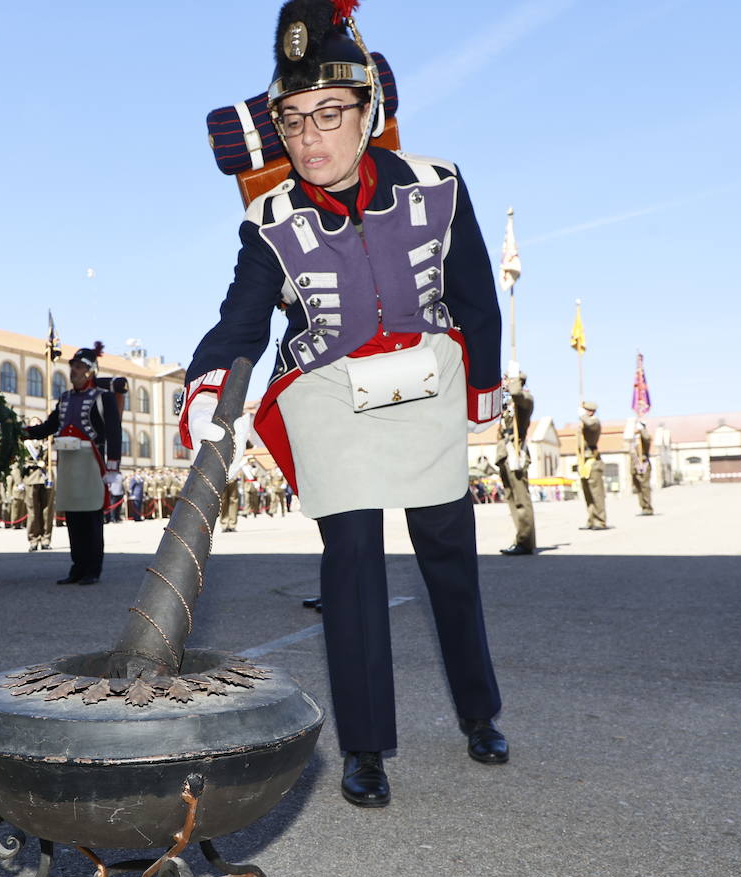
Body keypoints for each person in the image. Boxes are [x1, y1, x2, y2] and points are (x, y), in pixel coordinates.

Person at [181, 0, 508, 808]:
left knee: (450, 562)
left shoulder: (440, 184)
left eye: (329, 113)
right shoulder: (268, 220)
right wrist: (212, 382)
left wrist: (486, 385)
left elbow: (475, 294)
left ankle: (479, 713)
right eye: (292, 121)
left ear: (370, 114)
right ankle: (366, 748)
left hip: (425, 376)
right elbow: (241, 320)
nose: (310, 138)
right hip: (330, 390)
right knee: (352, 565)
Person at [22, 343, 122, 585]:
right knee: (74, 518)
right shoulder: (65, 398)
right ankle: (77, 566)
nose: (73, 371)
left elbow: (113, 431)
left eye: (78, 367)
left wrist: (113, 467)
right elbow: (50, 425)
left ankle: (92, 569)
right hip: (67, 462)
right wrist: (25, 432)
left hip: (90, 462)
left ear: (90, 371)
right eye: (72, 367)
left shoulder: (103, 398)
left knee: (91, 518)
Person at [496, 367, 536, 555]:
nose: (504, 382)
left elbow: (515, 393)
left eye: (507, 379)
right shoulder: (508, 404)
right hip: (505, 454)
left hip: (516, 454)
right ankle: (521, 538)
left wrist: (514, 379)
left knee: (521, 500)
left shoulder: (525, 400)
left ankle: (525, 541)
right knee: (512, 499)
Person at [579, 400, 607, 529]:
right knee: (588, 493)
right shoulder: (585, 422)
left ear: (590, 411)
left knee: (596, 493)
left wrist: (582, 416)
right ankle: (591, 520)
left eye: (585, 410)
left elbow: (589, 424)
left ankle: (600, 520)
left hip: (593, 460)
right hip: (584, 461)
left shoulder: (594, 422)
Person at [23, 436, 53, 551]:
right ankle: (33, 540)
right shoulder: (25, 444)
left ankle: (46, 539)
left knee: (47, 511)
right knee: (33, 511)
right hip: (31, 478)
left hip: (46, 478)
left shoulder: (49, 442)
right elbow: (20, 461)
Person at [627, 417, 654, 515]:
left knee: (644, 486)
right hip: (636, 462)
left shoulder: (644, 436)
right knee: (639, 487)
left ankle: (648, 507)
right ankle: (643, 507)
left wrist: (642, 429)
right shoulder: (635, 438)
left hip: (643, 463)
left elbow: (647, 438)